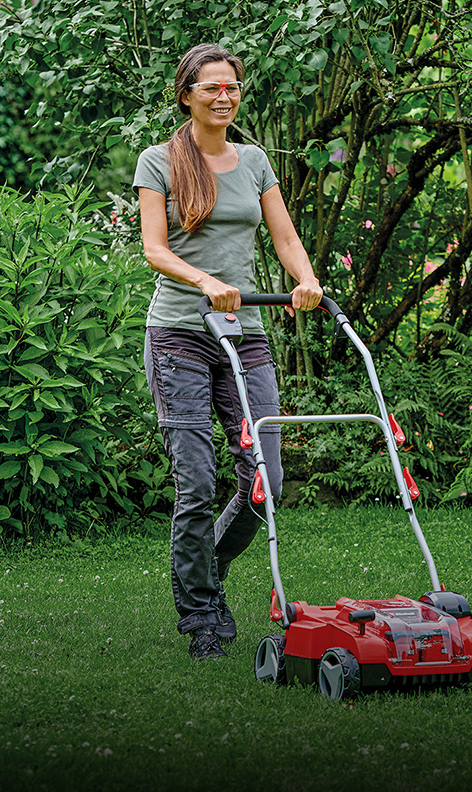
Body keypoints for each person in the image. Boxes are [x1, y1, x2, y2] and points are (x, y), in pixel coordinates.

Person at [133, 43, 322, 660]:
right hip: (178, 337)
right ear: (186, 94)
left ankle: (203, 570)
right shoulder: (158, 161)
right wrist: (207, 282)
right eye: (211, 87)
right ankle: (202, 616)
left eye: (232, 87)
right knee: (195, 484)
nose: (224, 96)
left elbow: (285, 235)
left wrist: (306, 279)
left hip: (246, 337)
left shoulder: (256, 160)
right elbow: (156, 250)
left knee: (266, 477)